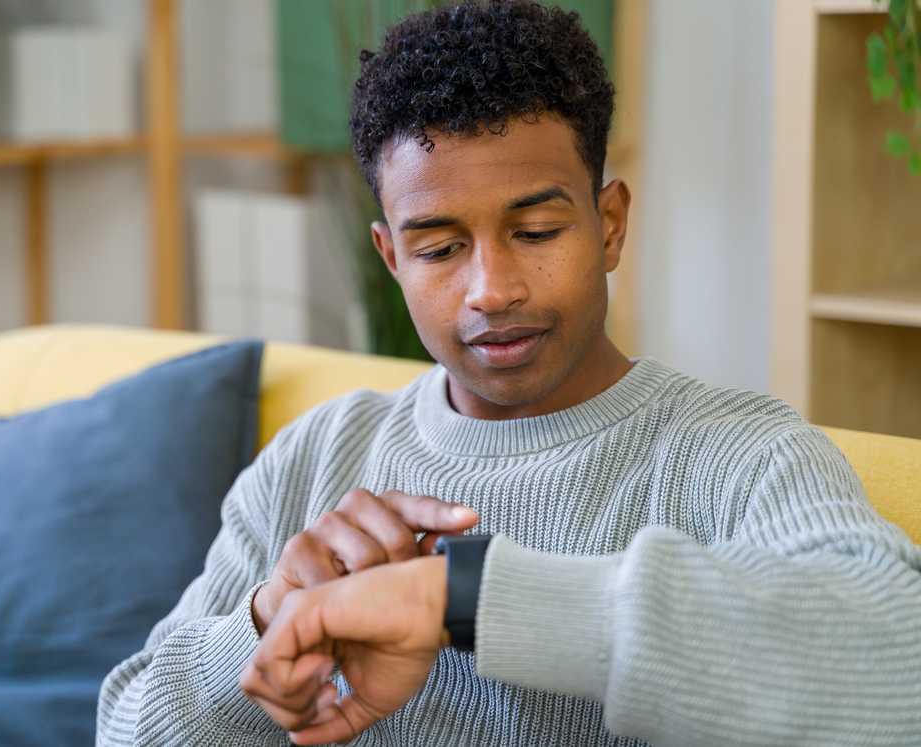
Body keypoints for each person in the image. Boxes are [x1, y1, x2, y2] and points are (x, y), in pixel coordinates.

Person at [98, 2, 921, 745]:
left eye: (534, 230)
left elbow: (898, 665)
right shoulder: (318, 454)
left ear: (608, 224)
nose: (492, 289)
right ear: (391, 257)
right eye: (441, 248)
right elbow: (125, 727)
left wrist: (467, 597)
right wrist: (263, 623)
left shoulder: (738, 454)